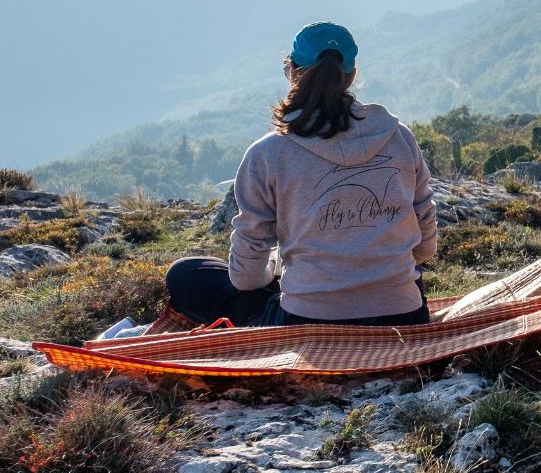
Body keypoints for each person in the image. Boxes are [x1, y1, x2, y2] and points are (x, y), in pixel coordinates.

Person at [164, 22, 439, 328]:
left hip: (307, 323)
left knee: (186, 273)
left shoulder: (268, 153)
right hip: (405, 316)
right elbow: (425, 247)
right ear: (352, 75)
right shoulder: (399, 137)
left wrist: (275, 272)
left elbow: (245, 277)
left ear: (292, 72)